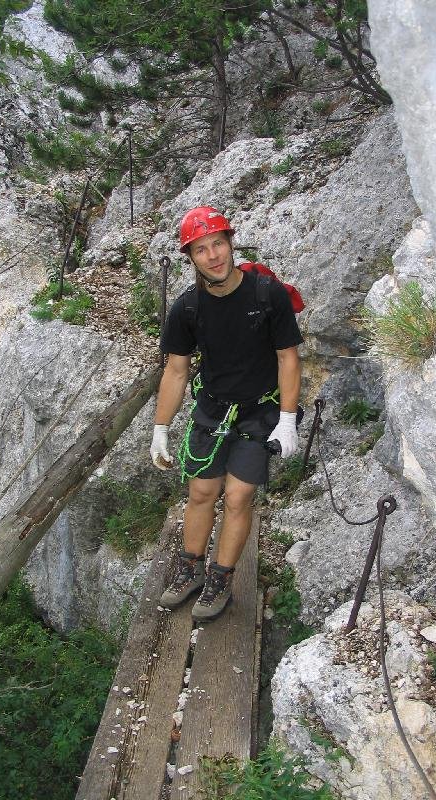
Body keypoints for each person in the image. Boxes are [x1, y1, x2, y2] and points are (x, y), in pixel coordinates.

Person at [150, 206, 303, 621]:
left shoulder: (266, 295)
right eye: (201, 249)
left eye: (218, 243)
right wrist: (160, 428)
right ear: (191, 258)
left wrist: (287, 420)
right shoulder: (188, 309)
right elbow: (176, 370)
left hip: (260, 411)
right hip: (213, 409)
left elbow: (288, 358)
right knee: (201, 492)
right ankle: (190, 570)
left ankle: (220, 579)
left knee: (238, 496)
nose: (213, 255)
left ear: (231, 243)